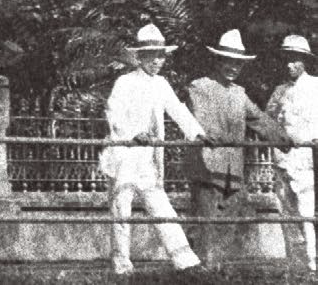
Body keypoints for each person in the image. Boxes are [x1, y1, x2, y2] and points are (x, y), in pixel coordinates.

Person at [102, 23, 209, 275]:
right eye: (151, 56)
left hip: (148, 161)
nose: (157, 61)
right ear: (139, 57)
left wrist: (198, 133)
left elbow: (178, 109)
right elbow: (113, 113)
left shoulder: (161, 83)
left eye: (160, 56)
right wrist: (132, 134)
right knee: (121, 212)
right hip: (123, 157)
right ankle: (122, 265)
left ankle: (186, 261)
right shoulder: (124, 82)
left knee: (162, 207)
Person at [184, 29, 290, 266]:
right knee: (206, 220)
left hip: (233, 169)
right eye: (228, 62)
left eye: (238, 64)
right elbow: (202, 121)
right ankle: (203, 270)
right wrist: (215, 136)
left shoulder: (239, 93)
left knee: (231, 218)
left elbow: (258, 119)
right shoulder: (200, 86)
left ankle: (218, 269)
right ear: (218, 60)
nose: (233, 68)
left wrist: (284, 139)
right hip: (208, 165)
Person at [266, 34, 318, 273]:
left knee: (307, 212)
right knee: (286, 211)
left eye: (295, 59)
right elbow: (268, 121)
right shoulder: (278, 91)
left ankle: (312, 263)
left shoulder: (315, 87)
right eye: (286, 59)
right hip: (282, 160)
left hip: (307, 160)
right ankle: (294, 265)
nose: (289, 65)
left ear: (304, 61)